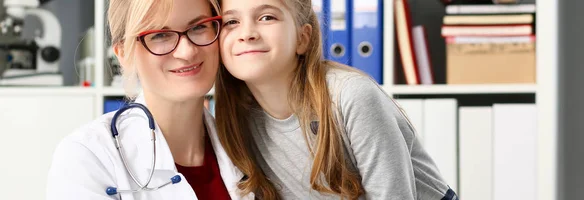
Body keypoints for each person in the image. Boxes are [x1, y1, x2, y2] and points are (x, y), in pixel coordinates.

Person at [214, 0, 459, 199]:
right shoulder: (238, 119)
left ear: (303, 38)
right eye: (231, 22)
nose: (246, 34)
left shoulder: (350, 96)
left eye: (267, 17)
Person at [46, 0, 253, 199]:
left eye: (198, 27)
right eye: (160, 35)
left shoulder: (249, 147)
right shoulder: (87, 157)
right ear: (124, 54)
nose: (187, 51)